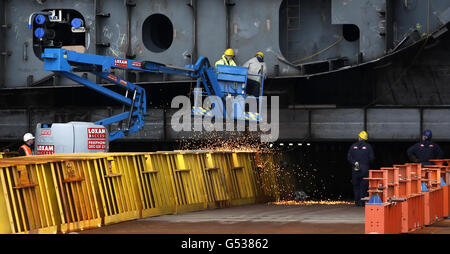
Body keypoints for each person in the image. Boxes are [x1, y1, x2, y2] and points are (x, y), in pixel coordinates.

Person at [347, 131, 375, 207]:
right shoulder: (368, 147)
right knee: (364, 186)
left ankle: (357, 202)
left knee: (356, 186)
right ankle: (362, 203)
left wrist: (355, 163)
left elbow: (349, 157)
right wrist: (366, 164)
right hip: (365, 169)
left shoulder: (353, 146)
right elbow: (372, 158)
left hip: (355, 168)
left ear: (360, 137)